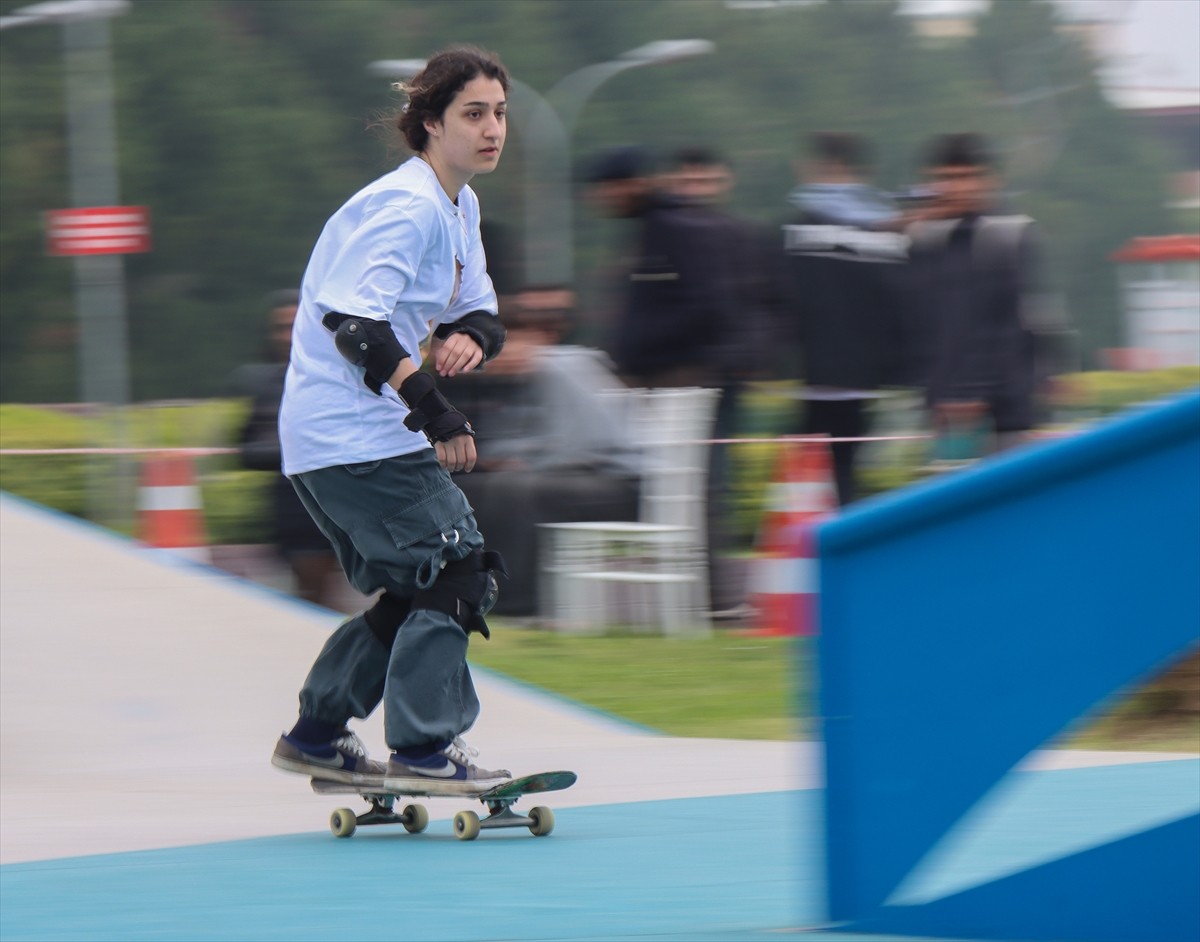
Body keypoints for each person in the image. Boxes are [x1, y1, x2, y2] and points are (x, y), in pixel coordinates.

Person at [270, 46, 513, 793]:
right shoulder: (406, 208)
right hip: (355, 434)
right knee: (461, 569)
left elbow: (480, 304)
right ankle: (424, 749)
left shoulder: (457, 203)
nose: (492, 128)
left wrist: (471, 333)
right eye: (473, 114)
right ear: (431, 123)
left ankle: (316, 735)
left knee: (420, 585)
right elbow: (354, 325)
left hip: (340, 436)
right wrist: (436, 411)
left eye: (500, 113)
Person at [441, 285, 641, 616]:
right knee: (472, 489)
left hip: (616, 479)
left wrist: (521, 462)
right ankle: (470, 589)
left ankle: (517, 604)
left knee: (515, 491)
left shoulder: (560, 369)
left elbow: (582, 446)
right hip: (566, 475)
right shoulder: (514, 380)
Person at [778, 132, 907, 506]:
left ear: (814, 168)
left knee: (804, 485)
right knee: (843, 475)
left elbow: (779, 300)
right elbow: (898, 305)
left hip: (813, 377)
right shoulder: (884, 234)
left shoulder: (795, 229)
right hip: (860, 380)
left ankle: (810, 554)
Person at [904, 132, 1046, 463]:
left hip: (1003, 409)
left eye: (965, 177)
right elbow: (920, 325)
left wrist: (972, 391)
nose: (955, 188)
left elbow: (1010, 324)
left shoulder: (1008, 235)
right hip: (946, 407)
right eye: (945, 179)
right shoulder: (925, 241)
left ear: (988, 180)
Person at [584, 145, 740, 390]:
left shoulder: (674, 229)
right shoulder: (647, 228)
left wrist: (642, 342)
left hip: (676, 378)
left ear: (633, 184)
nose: (601, 197)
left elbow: (707, 305)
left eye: (606, 187)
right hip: (654, 374)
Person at [231, 289, 345, 609]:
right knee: (310, 594)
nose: (286, 335)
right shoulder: (262, 382)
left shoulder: (341, 376)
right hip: (291, 503)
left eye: (294, 325)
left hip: (338, 497)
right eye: (279, 327)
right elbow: (248, 448)